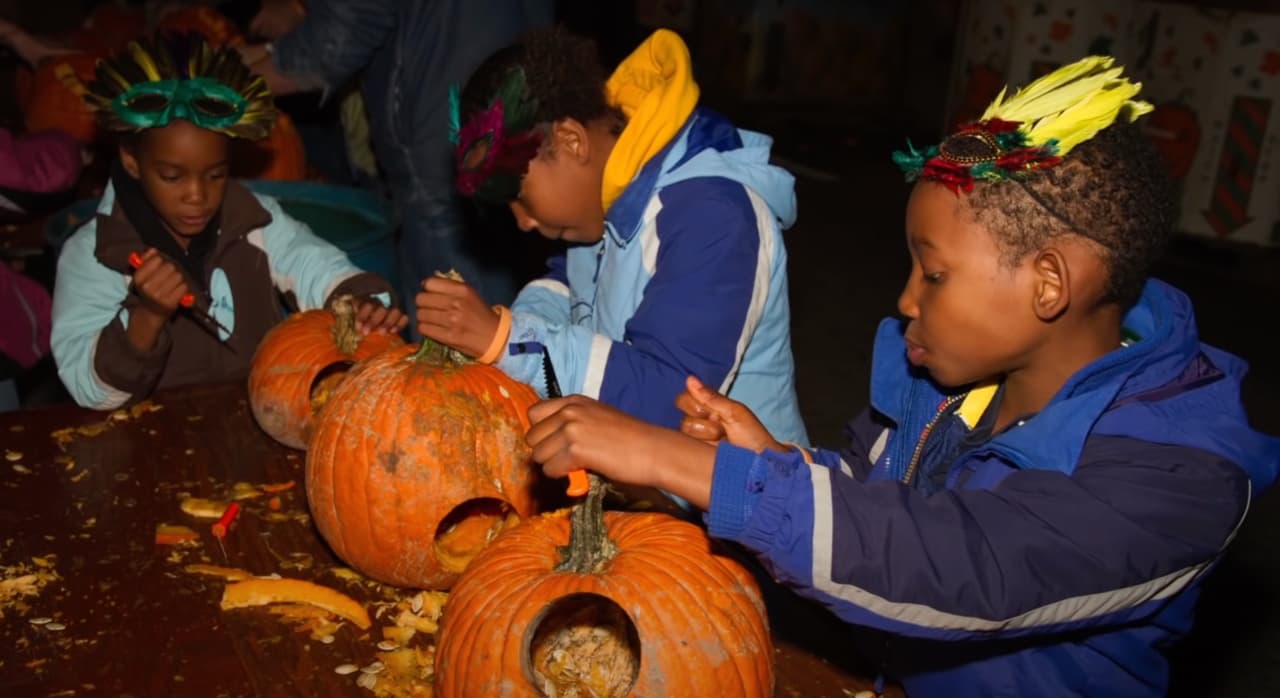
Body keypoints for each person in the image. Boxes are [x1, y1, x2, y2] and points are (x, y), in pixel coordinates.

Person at [521, 56, 1280, 696]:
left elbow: (954, 563)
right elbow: (870, 494)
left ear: (1048, 283)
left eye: (935, 274)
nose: (906, 299)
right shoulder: (952, 381)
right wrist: (776, 466)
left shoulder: (1176, 480)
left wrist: (675, 459)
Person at [415, 27, 808, 447]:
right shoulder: (608, 197)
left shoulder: (714, 218)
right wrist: (509, 326)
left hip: (746, 495)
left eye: (519, 196)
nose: (523, 222)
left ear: (570, 141)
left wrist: (509, 341)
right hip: (643, 468)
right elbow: (570, 287)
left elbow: (672, 400)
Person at [51, 34, 406, 410]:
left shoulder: (255, 220)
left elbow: (311, 262)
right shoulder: (95, 254)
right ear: (131, 161)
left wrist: (359, 304)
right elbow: (90, 392)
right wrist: (147, 316)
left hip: (257, 418)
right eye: (172, 177)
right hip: (149, 440)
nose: (197, 195)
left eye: (215, 174)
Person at [235, 0, 554, 313]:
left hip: (443, 117)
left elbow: (342, 32)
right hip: (504, 84)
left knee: (455, 283)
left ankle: (471, 360)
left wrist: (229, 88)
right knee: (492, 253)